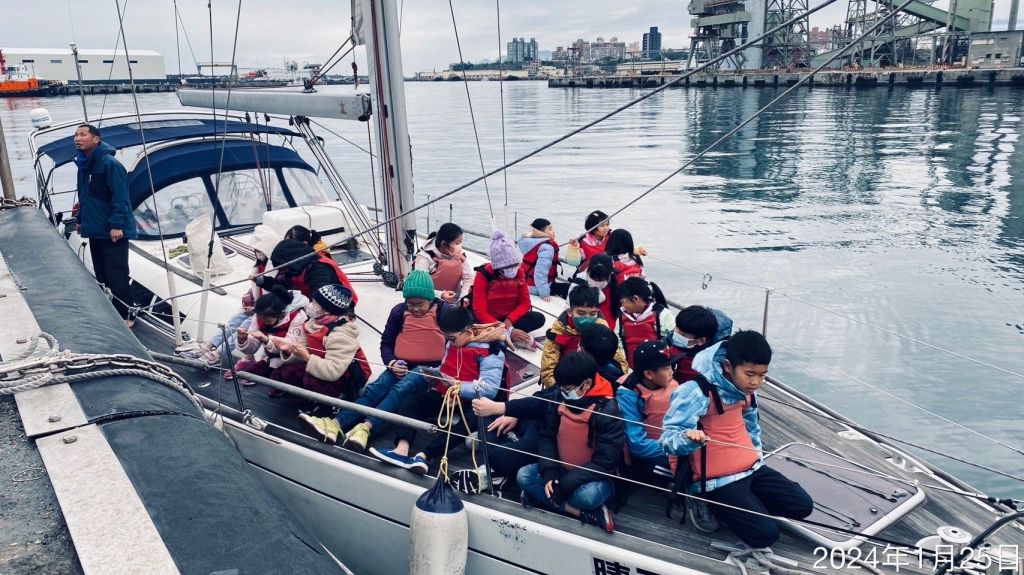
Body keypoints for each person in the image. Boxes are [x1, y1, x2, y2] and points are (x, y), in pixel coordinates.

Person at [660, 331, 813, 549]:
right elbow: (667, 439)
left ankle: (748, 507)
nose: (756, 382)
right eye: (750, 374)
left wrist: (758, 458)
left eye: (762, 375)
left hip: (751, 468)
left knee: (802, 506)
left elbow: (752, 427)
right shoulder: (695, 391)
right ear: (728, 366)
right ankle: (704, 502)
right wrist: (689, 438)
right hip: (715, 480)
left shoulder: (747, 390)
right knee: (766, 536)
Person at [299, 271, 450, 450]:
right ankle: (336, 424)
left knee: (400, 390)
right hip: (401, 365)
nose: (415, 309)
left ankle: (366, 428)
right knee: (375, 389)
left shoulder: (444, 312)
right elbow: (387, 343)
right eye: (410, 304)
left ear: (430, 299)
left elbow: (456, 343)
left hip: (431, 371)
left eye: (420, 305)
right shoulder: (399, 311)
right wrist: (392, 363)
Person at [370, 308, 505, 474]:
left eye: (452, 338)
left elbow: (489, 388)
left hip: (472, 401)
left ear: (468, 332)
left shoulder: (491, 351)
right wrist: (433, 375)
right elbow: (445, 366)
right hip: (447, 393)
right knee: (412, 402)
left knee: (470, 420)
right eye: (446, 338)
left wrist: (458, 387)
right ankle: (401, 449)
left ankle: (424, 456)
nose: (449, 342)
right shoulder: (453, 342)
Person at [517, 352, 623, 533]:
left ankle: (544, 498)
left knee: (588, 496)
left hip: (593, 477)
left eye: (567, 389)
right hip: (560, 470)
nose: (563, 392)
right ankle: (579, 512)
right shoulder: (560, 397)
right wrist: (549, 470)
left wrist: (567, 484)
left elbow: (606, 461)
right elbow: (547, 435)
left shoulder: (607, 410)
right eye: (561, 387)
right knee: (523, 476)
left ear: (586, 384)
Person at [180, 224, 280, 365]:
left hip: (267, 310)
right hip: (257, 306)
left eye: (259, 250)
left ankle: (218, 354)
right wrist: (249, 296)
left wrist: (255, 310)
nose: (257, 253)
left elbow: (275, 294)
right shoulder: (260, 265)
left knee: (244, 326)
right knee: (234, 320)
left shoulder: (276, 268)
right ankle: (207, 346)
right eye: (256, 250)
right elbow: (257, 287)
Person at [74, 123, 138, 326]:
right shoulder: (84, 165)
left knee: (117, 274)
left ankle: (128, 314)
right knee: (102, 274)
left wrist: (117, 225)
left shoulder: (110, 164)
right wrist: (81, 219)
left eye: (82, 135)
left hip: (112, 231)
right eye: (76, 135)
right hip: (95, 229)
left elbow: (121, 197)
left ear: (96, 139)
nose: (77, 138)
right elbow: (86, 196)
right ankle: (112, 311)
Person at [276, 284, 371, 402]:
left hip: (348, 376)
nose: (310, 305)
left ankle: (339, 398)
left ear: (327, 310)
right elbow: (303, 348)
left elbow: (332, 371)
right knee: (287, 372)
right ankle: (311, 397)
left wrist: (306, 357)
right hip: (320, 363)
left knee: (310, 380)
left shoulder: (341, 335)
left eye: (315, 303)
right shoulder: (312, 323)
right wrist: (288, 351)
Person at [616, 340, 679, 483]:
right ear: (649, 374)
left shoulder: (671, 383)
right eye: (666, 368)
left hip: (674, 445)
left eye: (671, 366)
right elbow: (637, 445)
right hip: (651, 455)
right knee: (670, 470)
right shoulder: (629, 395)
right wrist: (676, 447)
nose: (672, 372)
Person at [540, 286, 626, 388]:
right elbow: (548, 372)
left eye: (592, 313)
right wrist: (566, 390)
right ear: (570, 312)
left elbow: (620, 362)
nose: (587, 318)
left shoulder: (603, 330)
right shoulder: (557, 332)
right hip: (567, 381)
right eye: (581, 313)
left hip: (597, 381)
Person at [234, 285, 309, 391]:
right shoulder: (258, 316)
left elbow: (292, 346)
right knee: (247, 375)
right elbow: (252, 348)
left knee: (277, 382)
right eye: (261, 319)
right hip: (270, 359)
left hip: (291, 361)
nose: (264, 323)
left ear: (281, 315)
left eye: (268, 321)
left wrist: (265, 340)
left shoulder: (297, 317)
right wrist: (243, 339)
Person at [470, 230, 545, 334]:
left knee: (538, 318)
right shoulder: (484, 274)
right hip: (488, 319)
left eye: (514, 265)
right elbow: (480, 312)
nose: (512, 269)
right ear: (498, 266)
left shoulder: (519, 272)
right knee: (469, 320)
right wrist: (507, 329)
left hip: (509, 318)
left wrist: (509, 321)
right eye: (507, 266)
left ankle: (505, 333)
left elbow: (525, 303)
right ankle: (507, 333)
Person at [256, 239, 358, 304]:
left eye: (283, 267)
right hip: (309, 304)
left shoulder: (319, 268)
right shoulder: (294, 269)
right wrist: (262, 280)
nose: (282, 270)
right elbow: (284, 286)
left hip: (331, 307)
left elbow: (319, 298)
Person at [665, 305, 733, 384]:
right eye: (676, 328)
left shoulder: (706, 365)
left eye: (683, 334)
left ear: (701, 340)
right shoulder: (668, 343)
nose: (676, 334)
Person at [618, 277, 673, 368]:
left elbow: (671, 343)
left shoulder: (662, 315)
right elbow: (618, 341)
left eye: (623, 302)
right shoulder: (622, 316)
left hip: (656, 369)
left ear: (635, 299)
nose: (622, 306)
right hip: (630, 368)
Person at [518, 218, 578, 301]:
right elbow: (540, 273)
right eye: (550, 229)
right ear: (540, 232)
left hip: (526, 283)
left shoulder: (531, 242)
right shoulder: (546, 247)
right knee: (577, 290)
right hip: (535, 287)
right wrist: (544, 293)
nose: (554, 231)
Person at [414, 222, 474, 303]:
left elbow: (469, 278)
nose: (459, 247)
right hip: (431, 299)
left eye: (460, 243)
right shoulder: (424, 257)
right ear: (443, 244)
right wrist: (441, 295)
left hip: (456, 297)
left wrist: (463, 299)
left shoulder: (458, 253)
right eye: (457, 243)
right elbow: (420, 287)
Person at [568, 253, 617, 330]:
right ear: (588, 271)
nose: (596, 281)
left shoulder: (615, 288)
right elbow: (569, 308)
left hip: (602, 330)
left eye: (600, 278)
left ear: (610, 274)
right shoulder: (578, 284)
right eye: (593, 277)